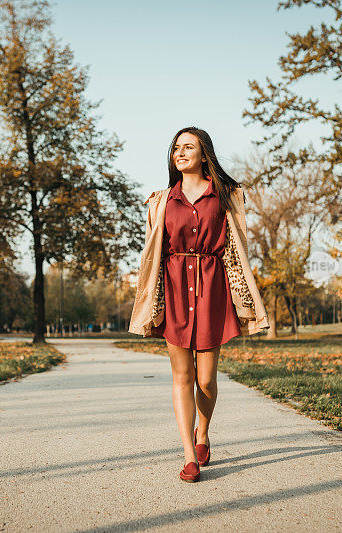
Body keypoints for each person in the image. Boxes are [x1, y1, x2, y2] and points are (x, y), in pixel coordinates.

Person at [128, 126, 270, 482]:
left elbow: (235, 247)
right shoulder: (162, 200)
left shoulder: (223, 196)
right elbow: (154, 252)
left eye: (188, 146)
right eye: (176, 147)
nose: (180, 152)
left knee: (206, 380)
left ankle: (203, 432)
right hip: (175, 288)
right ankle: (189, 455)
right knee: (182, 375)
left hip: (212, 288)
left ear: (204, 153)